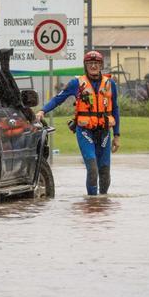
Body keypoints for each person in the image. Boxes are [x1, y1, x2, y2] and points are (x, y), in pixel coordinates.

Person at [37, 50, 121, 195]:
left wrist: (117, 135)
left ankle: (102, 201)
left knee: (105, 171)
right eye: (90, 63)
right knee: (93, 168)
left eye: (96, 63)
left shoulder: (110, 84)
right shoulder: (76, 83)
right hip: (85, 131)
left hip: (104, 132)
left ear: (101, 65)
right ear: (85, 65)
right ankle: (92, 201)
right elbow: (58, 99)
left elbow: (115, 109)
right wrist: (42, 111)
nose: (93, 66)